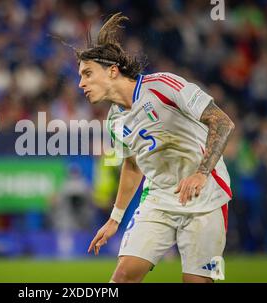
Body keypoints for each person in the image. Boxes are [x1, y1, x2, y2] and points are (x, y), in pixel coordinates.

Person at [78, 13, 235, 283]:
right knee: (122, 278)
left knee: (198, 281)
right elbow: (132, 165)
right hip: (158, 200)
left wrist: (201, 173)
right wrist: (115, 219)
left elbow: (223, 123)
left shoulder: (163, 86)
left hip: (207, 198)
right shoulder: (114, 121)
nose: (81, 83)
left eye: (87, 74)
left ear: (112, 71)